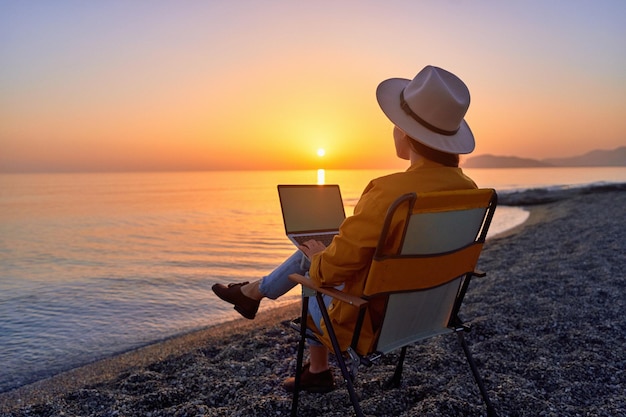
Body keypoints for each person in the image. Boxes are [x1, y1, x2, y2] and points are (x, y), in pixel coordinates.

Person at [212, 65, 479, 393]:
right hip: (433, 312)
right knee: (315, 254)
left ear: (407, 133)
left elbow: (328, 274)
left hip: (370, 323)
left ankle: (269, 312)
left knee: (311, 270)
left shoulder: (390, 192)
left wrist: (322, 256)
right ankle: (254, 296)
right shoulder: (469, 190)